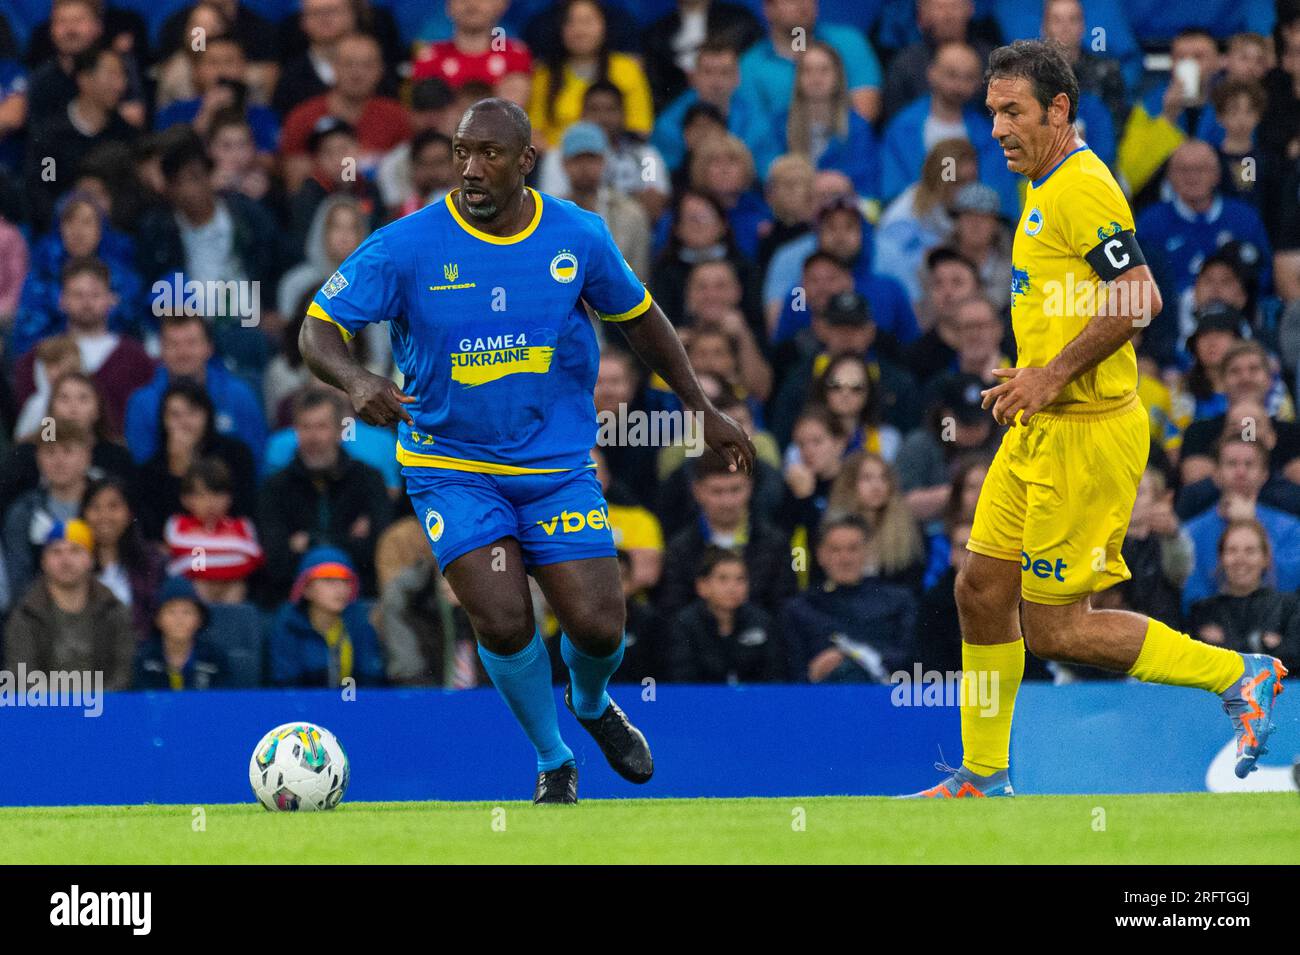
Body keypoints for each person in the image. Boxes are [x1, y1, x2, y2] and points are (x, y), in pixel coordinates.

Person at [297, 97, 757, 804]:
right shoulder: (408, 244)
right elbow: (318, 327)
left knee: (600, 627)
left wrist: (700, 406)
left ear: (525, 162)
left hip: (554, 466)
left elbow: (641, 319)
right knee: (505, 616)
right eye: (460, 152)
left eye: (489, 154)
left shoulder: (578, 236)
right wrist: (358, 378)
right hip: (451, 465)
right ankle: (554, 760)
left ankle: (594, 702)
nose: (470, 168)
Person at [908, 40, 1288, 800]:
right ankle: (983, 776)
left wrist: (1050, 372)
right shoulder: (1042, 178)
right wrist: (1038, 366)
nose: (997, 130)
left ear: (1057, 109)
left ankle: (1240, 674)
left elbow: (1139, 296)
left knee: (1057, 628)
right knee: (981, 587)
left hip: (1087, 434)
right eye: (991, 113)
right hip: (1039, 424)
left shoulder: (1083, 188)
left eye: (1012, 112)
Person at [3, 517, 135, 691]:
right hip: (44, 714)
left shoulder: (113, 610)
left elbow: (123, 674)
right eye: (56, 552)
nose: (66, 560)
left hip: (105, 711)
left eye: (75, 550)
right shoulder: (26, 615)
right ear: (43, 561)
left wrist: (93, 704)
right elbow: (22, 678)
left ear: (90, 559)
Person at [1186, 519, 1300, 673]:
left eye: (1250, 551)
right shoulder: (1202, 611)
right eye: (1232, 550)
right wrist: (1261, 644)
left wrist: (1224, 644)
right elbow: (1196, 664)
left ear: (1265, 559)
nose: (1240, 559)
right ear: (1221, 559)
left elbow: (1292, 659)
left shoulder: (1290, 607)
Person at [269, 546, 385, 688]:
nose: (340, 588)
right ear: (306, 589)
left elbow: (371, 683)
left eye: (346, 581)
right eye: (329, 580)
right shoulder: (287, 627)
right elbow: (287, 687)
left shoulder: (360, 625)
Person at [663, 546, 782, 683]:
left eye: (740, 579)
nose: (732, 588)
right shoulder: (684, 625)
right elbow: (681, 681)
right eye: (723, 579)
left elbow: (775, 678)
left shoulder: (762, 622)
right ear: (702, 586)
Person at [164, 457, 263, 604]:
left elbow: (253, 558)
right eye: (202, 495)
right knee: (200, 584)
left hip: (232, 594)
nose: (210, 503)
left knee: (237, 586)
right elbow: (179, 548)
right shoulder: (177, 524)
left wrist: (198, 558)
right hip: (191, 601)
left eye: (218, 495)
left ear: (230, 498)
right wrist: (228, 554)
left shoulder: (242, 525)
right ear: (186, 499)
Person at [132, 575, 226, 690]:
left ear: (200, 619)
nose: (179, 620)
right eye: (171, 612)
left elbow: (226, 702)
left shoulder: (215, 659)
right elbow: (136, 701)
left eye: (187, 612)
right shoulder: (144, 659)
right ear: (157, 619)